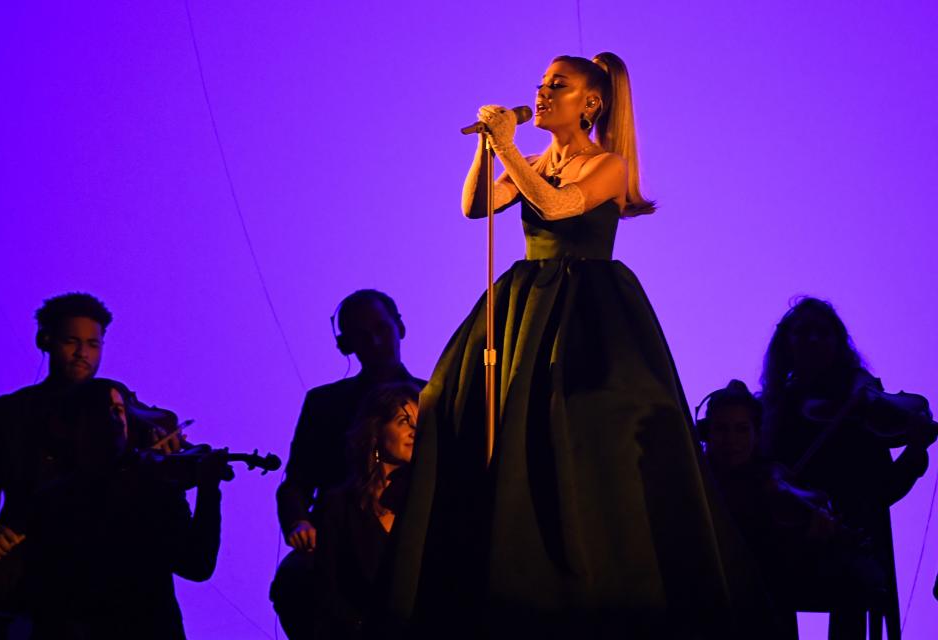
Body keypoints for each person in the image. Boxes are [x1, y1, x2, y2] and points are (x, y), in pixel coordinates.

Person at [382, 53, 769, 638]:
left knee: (579, 425)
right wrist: (488, 146)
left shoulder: (606, 164)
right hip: (524, 302)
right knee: (456, 402)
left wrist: (510, 148)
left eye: (556, 86)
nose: (541, 94)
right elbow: (475, 206)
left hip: (586, 306)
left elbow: (559, 205)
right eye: (540, 84)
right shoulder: (534, 161)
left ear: (590, 103)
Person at [761, 296, 934, 639]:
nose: (813, 340)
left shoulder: (862, 411)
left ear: (839, 343)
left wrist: (914, 452)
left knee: (851, 579)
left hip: (849, 546)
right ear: (787, 343)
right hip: (790, 546)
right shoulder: (770, 413)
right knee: (758, 574)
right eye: (803, 332)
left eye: (824, 333)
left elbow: (883, 490)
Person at [24, 378, 228, 639]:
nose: (114, 420)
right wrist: (202, 489)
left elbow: (197, 564)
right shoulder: (54, 502)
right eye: (100, 412)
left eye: (118, 411)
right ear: (76, 426)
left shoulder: (152, 485)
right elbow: (197, 564)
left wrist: (201, 490)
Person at [272, 290, 424, 638]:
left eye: (381, 330)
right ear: (346, 345)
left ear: (399, 328)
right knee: (295, 581)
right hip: (342, 543)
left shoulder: (437, 397)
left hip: (415, 538)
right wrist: (299, 523)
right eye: (361, 336)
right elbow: (296, 482)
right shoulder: (324, 404)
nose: (373, 342)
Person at [698, 380, 885, 639]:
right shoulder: (697, 480)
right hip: (717, 588)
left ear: (756, 433)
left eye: (742, 430)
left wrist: (815, 535)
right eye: (721, 429)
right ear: (706, 432)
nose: (731, 440)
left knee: (853, 583)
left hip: (770, 589)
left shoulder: (771, 473)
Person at [0, 293, 113, 616]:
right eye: (72, 341)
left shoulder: (113, 407)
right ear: (46, 340)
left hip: (97, 576)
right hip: (25, 572)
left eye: (93, 345)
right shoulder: (9, 412)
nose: (82, 353)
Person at [314, 382, 419, 639]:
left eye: (420, 420)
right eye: (403, 421)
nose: (415, 430)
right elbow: (327, 590)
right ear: (376, 431)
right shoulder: (339, 505)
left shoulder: (425, 497)